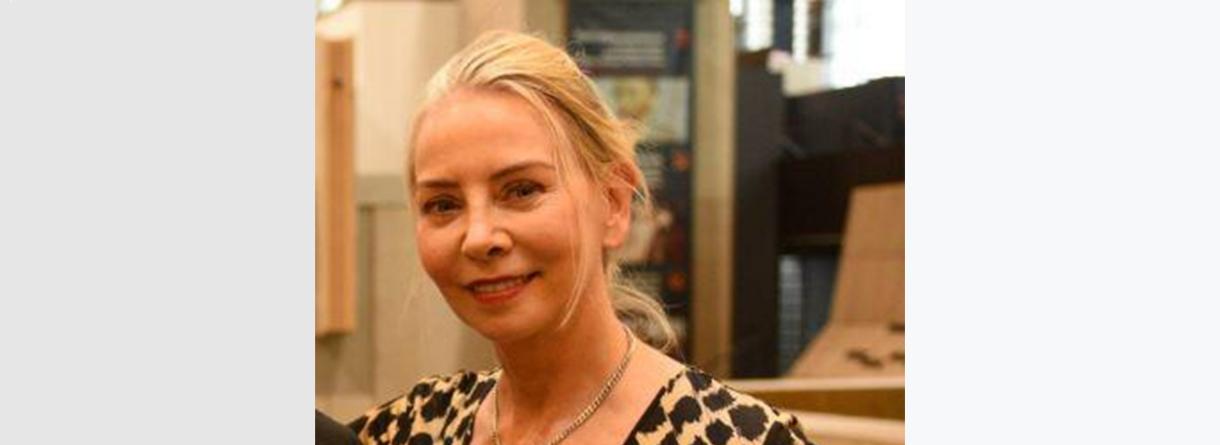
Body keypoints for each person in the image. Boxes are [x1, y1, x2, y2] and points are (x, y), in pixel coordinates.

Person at [347, 31, 814, 445]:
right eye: (443, 204)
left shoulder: (738, 438)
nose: (479, 237)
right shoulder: (404, 430)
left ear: (613, 202)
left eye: (522, 190)